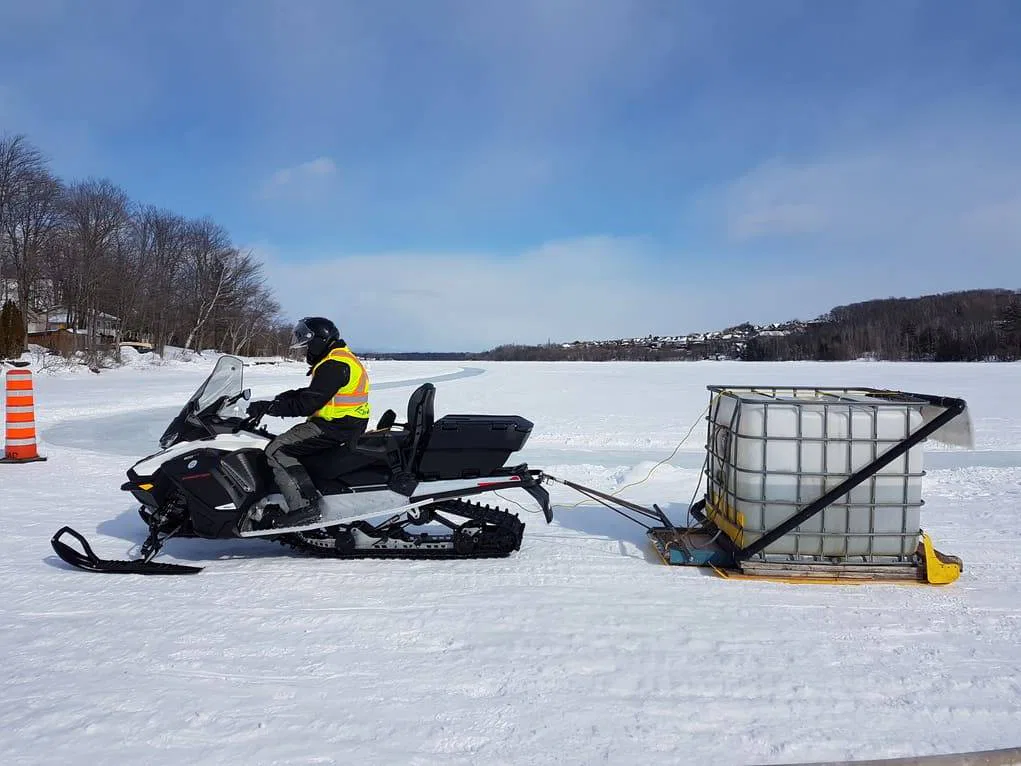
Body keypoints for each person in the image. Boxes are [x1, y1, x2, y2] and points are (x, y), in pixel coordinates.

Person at [246, 316, 371, 525]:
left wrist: (270, 408)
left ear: (318, 340)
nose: (306, 351)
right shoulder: (339, 358)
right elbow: (319, 392)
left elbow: (307, 404)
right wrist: (285, 397)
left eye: (307, 345)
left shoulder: (334, 364)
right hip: (344, 423)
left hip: (335, 426)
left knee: (277, 450)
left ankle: (304, 507)